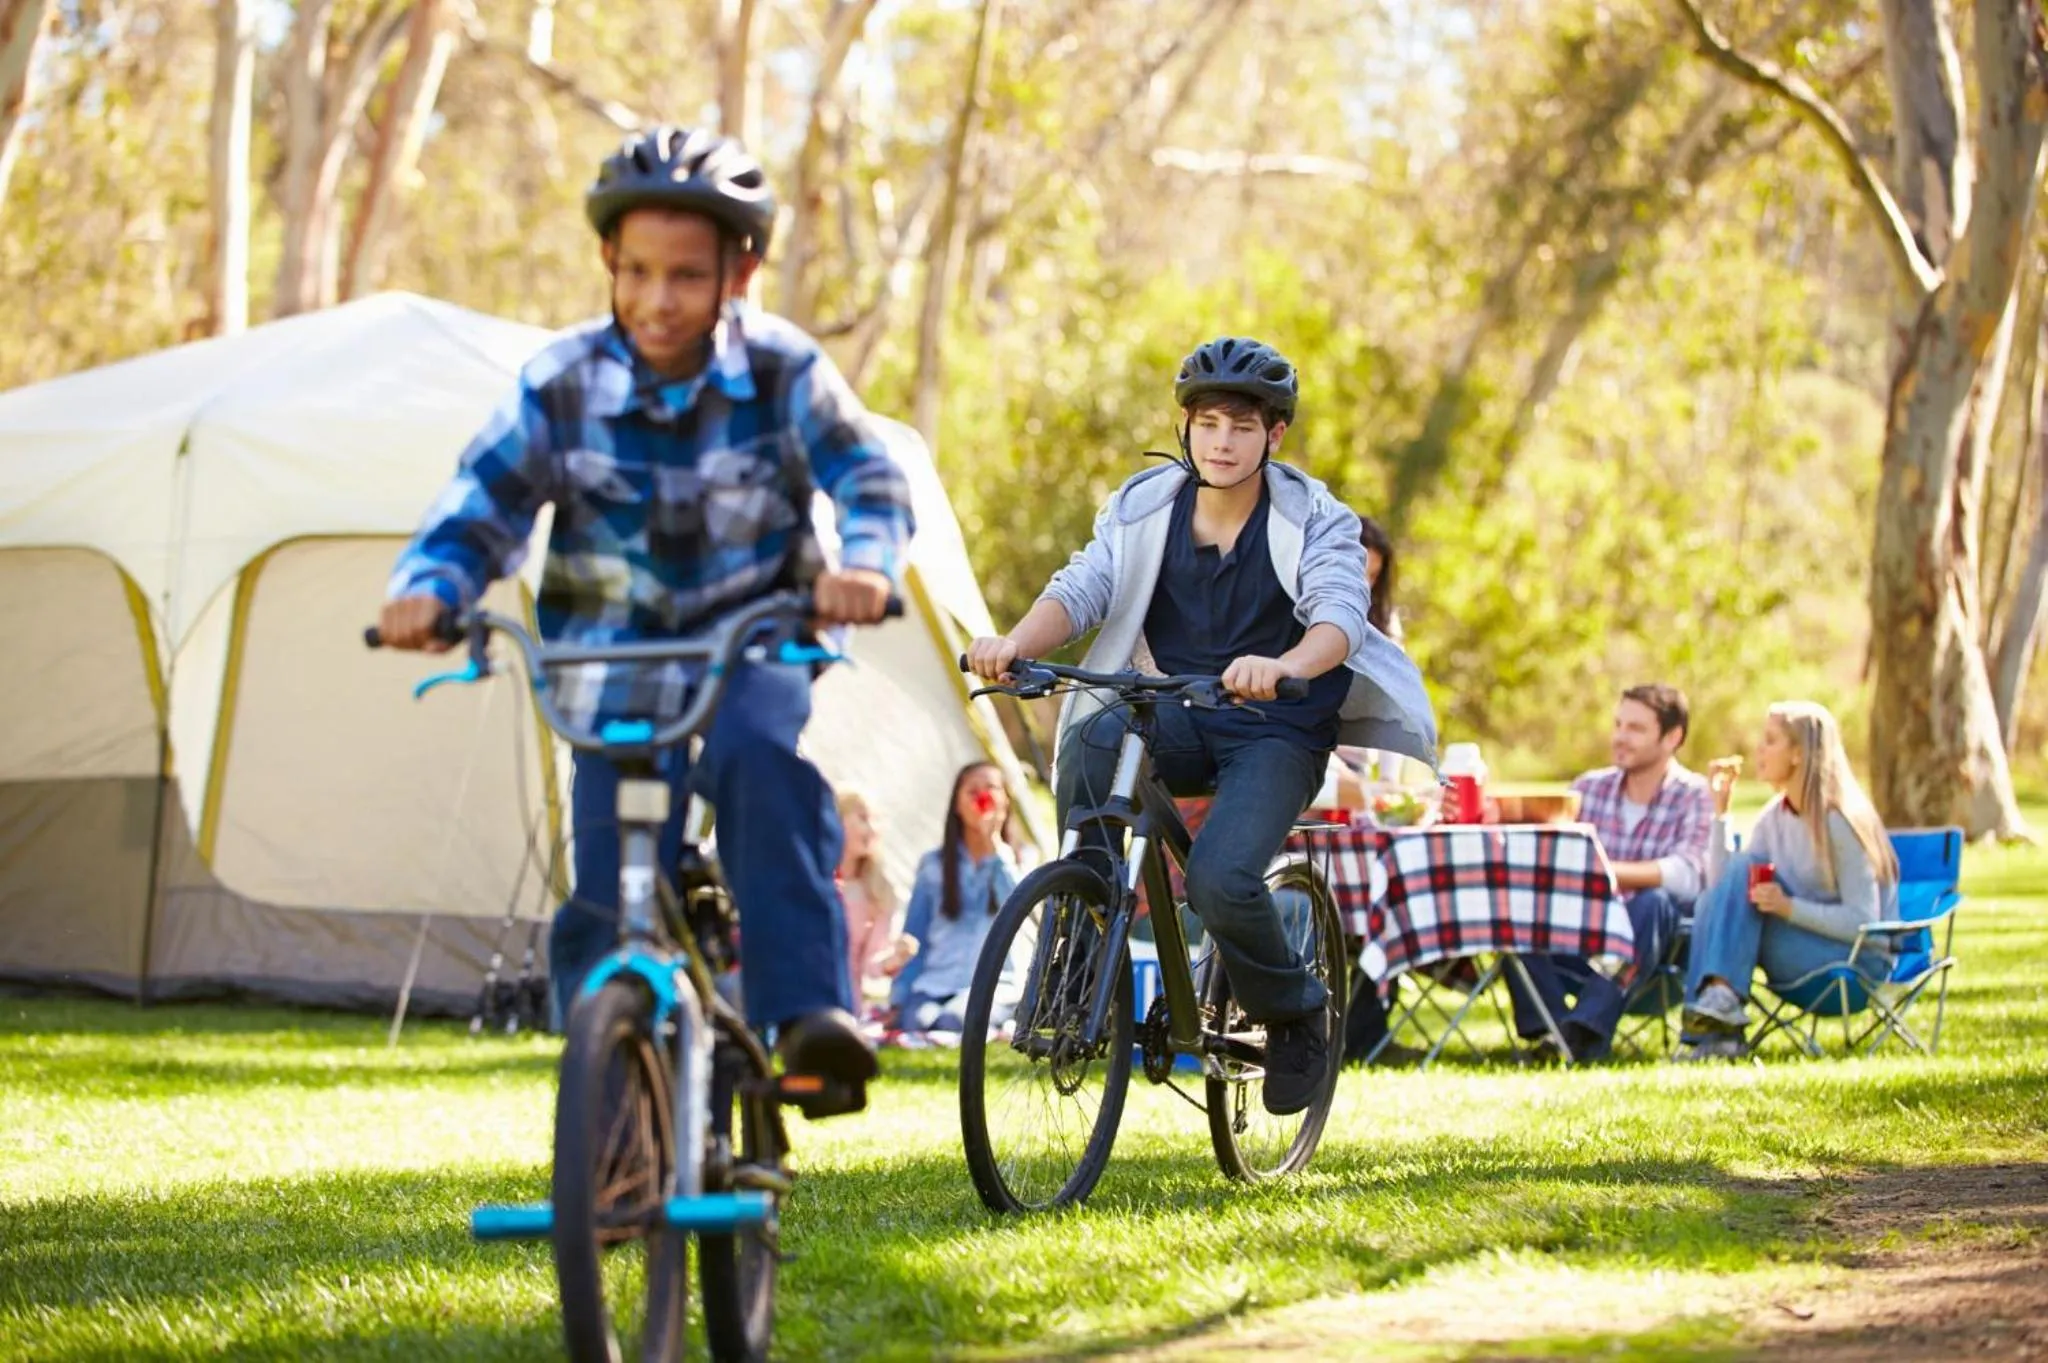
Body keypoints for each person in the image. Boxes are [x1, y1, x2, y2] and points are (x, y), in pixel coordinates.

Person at [375, 125, 914, 1117]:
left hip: (752, 639)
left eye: (684, 276)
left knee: (760, 764)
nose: (657, 300)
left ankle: (807, 1018)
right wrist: (433, 586)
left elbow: (867, 475)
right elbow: (478, 502)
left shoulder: (783, 371)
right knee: (612, 870)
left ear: (738, 273)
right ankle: (609, 1092)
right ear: (606, 266)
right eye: (636, 273)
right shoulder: (563, 381)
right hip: (611, 658)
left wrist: (868, 565)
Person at [965, 336, 1438, 1115]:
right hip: (1181, 707)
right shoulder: (1146, 503)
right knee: (1089, 736)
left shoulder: (1316, 517)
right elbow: (1083, 586)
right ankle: (1080, 945)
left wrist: (1286, 665)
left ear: (1274, 435)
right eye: (1208, 422)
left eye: (1243, 426)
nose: (1222, 441)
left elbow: (1340, 617)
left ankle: (1295, 1009)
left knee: (1219, 880)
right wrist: (1014, 643)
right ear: (1185, 426)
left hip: (1277, 729)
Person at [1678, 701, 1899, 1060]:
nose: (1758, 750)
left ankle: (1704, 1028)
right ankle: (1719, 1024)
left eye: (1770, 741)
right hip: (1801, 954)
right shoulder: (1774, 816)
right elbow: (1722, 889)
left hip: (1853, 966)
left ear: (1798, 753)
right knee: (1722, 890)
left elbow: (1864, 922)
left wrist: (1787, 907)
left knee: (1727, 893)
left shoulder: (1839, 821)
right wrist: (1721, 813)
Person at [1508, 683, 1715, 1061]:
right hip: (1581, 936)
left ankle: (1580, 1033)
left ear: (1673, 737)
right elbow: (1554, 861)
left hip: (1654, 951)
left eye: (1636, 729)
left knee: (1653, 901)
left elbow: (1689, 873)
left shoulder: (1695, 794)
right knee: (1516, 903)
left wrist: (1602, 873)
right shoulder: (1587, 789)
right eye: (1618, 724)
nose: (1620, 737)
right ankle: (1556, 1032)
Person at [889, 763, 1019, 1037]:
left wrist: (993, 843)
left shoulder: (1016, 861)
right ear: (957, 805)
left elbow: (1019, 906)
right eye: (972, 791)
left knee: (955, 1020)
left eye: (991, 789)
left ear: (1005, 801)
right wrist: (899, 997)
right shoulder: (933, 864)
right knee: (917, 1021)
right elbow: (915, 935)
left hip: (992, 986)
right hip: (935, 983)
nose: (982, 797)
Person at [835, 789, 907, 1016]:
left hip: (845, 1004)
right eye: (863, 818)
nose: (873, 829)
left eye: (876, 820)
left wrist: (893, 959)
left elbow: (870, 965)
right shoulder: (813, 880)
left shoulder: (878, 893)